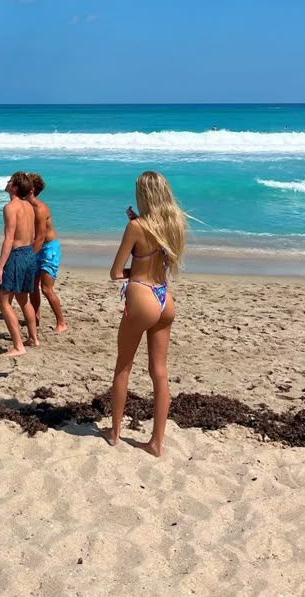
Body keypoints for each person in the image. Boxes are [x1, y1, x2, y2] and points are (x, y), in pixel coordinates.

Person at [103, 171, 187, 457]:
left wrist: (133, 270)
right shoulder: (174, 222)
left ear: (143, 195)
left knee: (123, 367)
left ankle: (115, 433)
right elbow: (157, 251)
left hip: (141, 295)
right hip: (165, 299)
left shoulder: (136, 227)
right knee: (160, 372)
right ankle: (156, 443)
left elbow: (115, 272)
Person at [0, 171, 38, 357]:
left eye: (10, 181)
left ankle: (18, 346)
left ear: (15, 187)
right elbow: (32, 235)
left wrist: (0, 266)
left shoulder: (10, 207)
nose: (7, 183)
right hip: (29, 253)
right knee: (23, 299)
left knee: (4, 301)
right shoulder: (29, 206)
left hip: (17, 255)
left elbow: (9, 239)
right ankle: (33, 338)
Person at [27, 173, 67, 334]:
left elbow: (41, 237)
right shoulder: (26, 206)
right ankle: (35, 318)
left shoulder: (40, 208)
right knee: (32, 287)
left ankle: (61, 322)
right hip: (36, 247)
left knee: (46, 288)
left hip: (49, 249)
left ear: (31, 189)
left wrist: (29, 256)